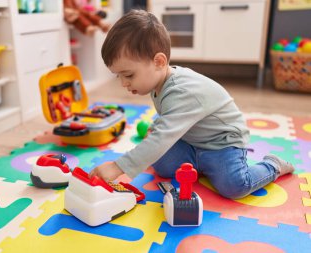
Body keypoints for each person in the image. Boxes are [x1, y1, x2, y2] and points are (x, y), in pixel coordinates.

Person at [89, 9, 295, 199]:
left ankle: (272, 165)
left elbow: (164, 134)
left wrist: (118, 167)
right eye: (119, 77)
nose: (124, 83)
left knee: (235, 187)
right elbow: (172, 118)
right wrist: (159, 127)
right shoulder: (157, 81)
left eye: (128, 75)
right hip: (191, 141)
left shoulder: (183, 91)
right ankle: (202, 166)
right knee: (160, 163)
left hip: (222, 144)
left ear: (159, 62)